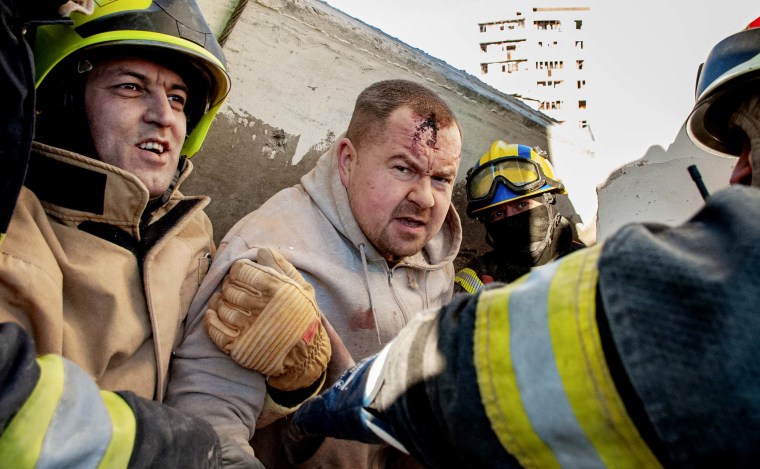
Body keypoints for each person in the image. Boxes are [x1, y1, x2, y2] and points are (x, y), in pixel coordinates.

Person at [282, 17, 760, 468]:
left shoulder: (606, 264)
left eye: (749, 141)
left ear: (552, 203)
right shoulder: (471, 276)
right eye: (499, 215)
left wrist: (324, 409)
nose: (738, 171)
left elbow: (454, 370)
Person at [0, 0, 260, 466]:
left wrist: (281, 380)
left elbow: (204, 386)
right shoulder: (15, 236)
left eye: (178, 98)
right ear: (60, 99)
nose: (164, 115)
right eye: (130, 87)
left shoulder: (189, 232)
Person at [167, 79, 464, 468]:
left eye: (441, 179)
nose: (425, 198)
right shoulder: (269, 256)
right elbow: (207, 424)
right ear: (347, 160)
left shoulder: (435, 260)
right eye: (404, 168)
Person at [454, 140, 585, 293]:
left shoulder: (589, 261)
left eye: (522, 205)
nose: (512, 219)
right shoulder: (474, 281)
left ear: (548, 200)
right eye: (498, 213)